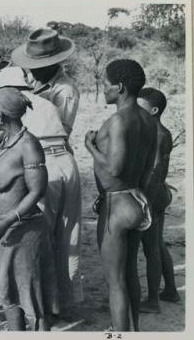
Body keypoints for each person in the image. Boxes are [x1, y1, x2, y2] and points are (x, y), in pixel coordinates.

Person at [0, 66, 84, 314]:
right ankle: (67, 299)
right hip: (67, 163)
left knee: (40, 238)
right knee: (68, 233)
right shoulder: (44, 104)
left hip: (45, 165)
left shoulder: (10, 108)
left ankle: (44, 304)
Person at [0, 88, 59, 331]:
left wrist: (8, 220)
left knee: (32, 301)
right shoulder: (5, 141)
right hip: (4, 234)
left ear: (1, 115)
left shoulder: (28, 145)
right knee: (8, 296)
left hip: (23, 233)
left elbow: (37, 191)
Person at [84, 59, 157, 331]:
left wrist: (90, 146)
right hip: (137, 201)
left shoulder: (118, 121)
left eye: (105, 83)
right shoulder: (148, 119)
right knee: (130, 275)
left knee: (115, 284)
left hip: (116, 205)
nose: (102, 88)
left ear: (120, 87)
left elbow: (114, 167)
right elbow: (149, 166)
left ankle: (119, 335)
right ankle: (134, 330)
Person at [137, 87, 180, 313]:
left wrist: (144, 203)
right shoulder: (158, 132)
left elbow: (154, 171)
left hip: (153, 195)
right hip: (159, 193)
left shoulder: (158, 134)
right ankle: (170, 290)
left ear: (154, 110)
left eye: (140, 106)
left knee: (151, 247)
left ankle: (153, 300)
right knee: (158, 244)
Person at [11, 28, 79, 140]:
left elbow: (61, 132)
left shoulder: (65, 90)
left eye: (39, 66)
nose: (33, 70)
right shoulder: (30, 79)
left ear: (52, 64)